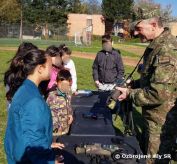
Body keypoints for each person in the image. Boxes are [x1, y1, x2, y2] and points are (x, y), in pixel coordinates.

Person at [116, 17, 177, 164]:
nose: (136, 33)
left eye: (139, 29)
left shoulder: (166, 49)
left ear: (154, 25)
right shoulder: (156, 45)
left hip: (160, 123)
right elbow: (150, 81)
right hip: (152, 119)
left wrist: (129, 94)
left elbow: (158, 94)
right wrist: (133, 84)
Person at [4, 48, 64, 163]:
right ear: (40, 69)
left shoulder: (25, 89)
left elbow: (25, 130)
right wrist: (49, 161)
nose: (52, 70)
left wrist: (47, 143)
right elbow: (33, 138)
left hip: (19, 154)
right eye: (50, 67)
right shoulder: (33, 101)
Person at [46, 69, 73, 136]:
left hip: (65, 129)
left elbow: (69, 106)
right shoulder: (51, 96)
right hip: (54, 131)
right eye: (61, 84)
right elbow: (45, 111)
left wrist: (70, 115)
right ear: (56, 82)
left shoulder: (68, 93)